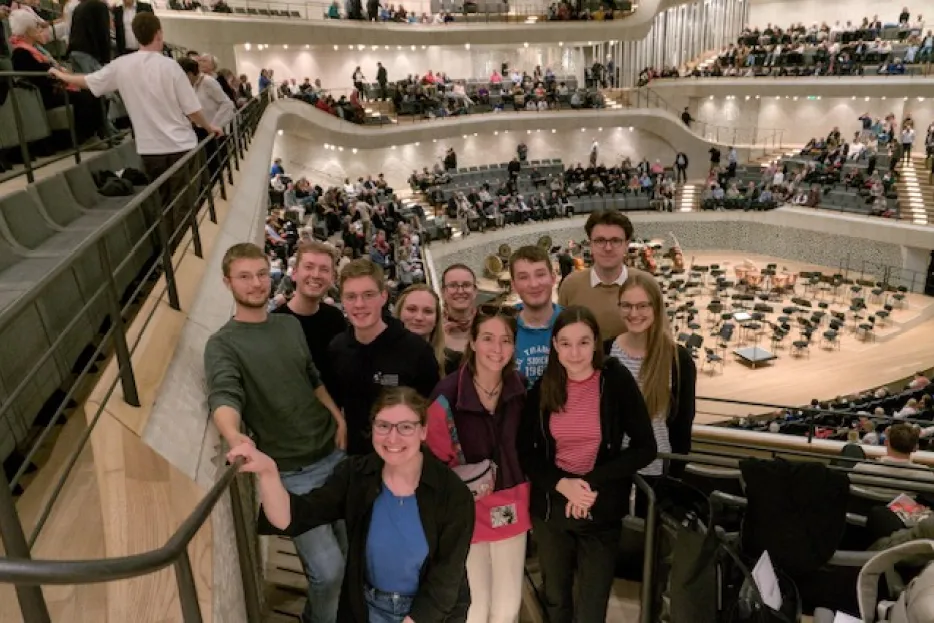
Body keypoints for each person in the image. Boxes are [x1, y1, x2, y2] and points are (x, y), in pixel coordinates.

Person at [229, 387, 475, 623]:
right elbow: (292, 517)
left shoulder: (452, 495)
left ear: (423, 431)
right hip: (367, 608)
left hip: (429, 614)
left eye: (406, 427)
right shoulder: (357, 476)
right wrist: (269, 472)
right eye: (383, 426)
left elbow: (445, 581)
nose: (392, 437)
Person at [204, 243, 348, 623]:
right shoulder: (223, 344)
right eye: (244, 277)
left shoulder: (288, 325)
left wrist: (338, 416)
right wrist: (235, 436)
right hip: (292, 474)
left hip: (333, 456)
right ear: (227, 282)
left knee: (349, 558)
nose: (255, 284)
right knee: (328, 571)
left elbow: (311, 378)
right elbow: (224, 394)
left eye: (261, 274)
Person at [518, 306, 656, 623]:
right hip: (552, 512)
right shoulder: (543, 387)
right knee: (556, 602)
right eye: (565, 343)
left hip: (600, 510)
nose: (575, 352)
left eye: (583, 342)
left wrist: (590, 483)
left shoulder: (615, 379)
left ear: (596, 342)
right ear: (554, 346)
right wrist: (563, 485)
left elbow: (645, 447)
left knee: (592, 608)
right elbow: (527, 453)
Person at [49, 13, 223, 237]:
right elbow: (192, 110)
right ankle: (181, 256)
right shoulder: (171, 67)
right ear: (159, 33)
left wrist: (63, 76)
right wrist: (210, 128)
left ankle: (169, 255)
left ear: (136, 35)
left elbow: (88, 81)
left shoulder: (121, 65)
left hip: (150, 150)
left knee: (163, 205)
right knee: (184, 205)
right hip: (181, 148)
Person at [426, 310, 529, 623]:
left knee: (507, 605)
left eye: (506, 340)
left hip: (511, 503)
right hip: (466, 509)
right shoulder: (446, 395)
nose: (496, 349)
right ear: (472, 342)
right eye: (487, 338)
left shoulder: (520, 388)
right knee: (475, 605)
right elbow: (433, 458)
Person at [329, 259, 441, 455]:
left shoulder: (416, 351)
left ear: (383, 296)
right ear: (342, 301)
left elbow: (431, 412)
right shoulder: (337, 348)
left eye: (368, 295)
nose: (359, 304)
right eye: (351, 296)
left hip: (404, 459)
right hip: (356, 462)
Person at [606, 272, 696, 495]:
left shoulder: (678, 360)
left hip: (657, 475)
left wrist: (674, 477)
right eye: (626, 305)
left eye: (642, 306)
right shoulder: (605, 352)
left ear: (656, 307)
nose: (634, 313)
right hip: (612, 472)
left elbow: (682, 428)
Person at [9, 9, 105, 146]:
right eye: (36, 27)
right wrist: (58, 76)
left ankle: (98, 133)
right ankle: (84, 139)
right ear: (27, 31)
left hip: (53, 86)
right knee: (85, 97)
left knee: (95, 93)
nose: (39, 30)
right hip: (44, 93)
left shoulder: (35, 49)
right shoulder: (20, 52)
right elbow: (38, 75)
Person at [273, 241, 347, 395]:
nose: (316, 275)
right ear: (294, 273)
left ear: (332, 278)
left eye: (324, 269)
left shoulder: (336, 319)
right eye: (309, 267)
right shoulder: (273, 323)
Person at [558, 210, 644, 341]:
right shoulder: (570, 285)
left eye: (615, 241)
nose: (608, 248)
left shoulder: (646, 284)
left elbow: (661, 341)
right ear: (591, 245)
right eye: (600, 241)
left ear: (626, 245)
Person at [510, 245, 561, 387]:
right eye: (523, 277)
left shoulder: (572, 324)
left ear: (553, 278)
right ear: (513, 285)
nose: (533, 284)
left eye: (540, 274)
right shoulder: (503, 327)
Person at [395, 284, 446, 378]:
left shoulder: (452, 363)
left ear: (436, 319)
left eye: (428, 311)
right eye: (411, 309)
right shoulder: (376, 357)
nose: (419, 317)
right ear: (399, 313)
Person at [441, 264, 478, 373]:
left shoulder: (488, 326)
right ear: (443, 292)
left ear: (475, 291)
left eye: (466, 285)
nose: (460, 291)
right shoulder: (432, 327)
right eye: (453, 285)